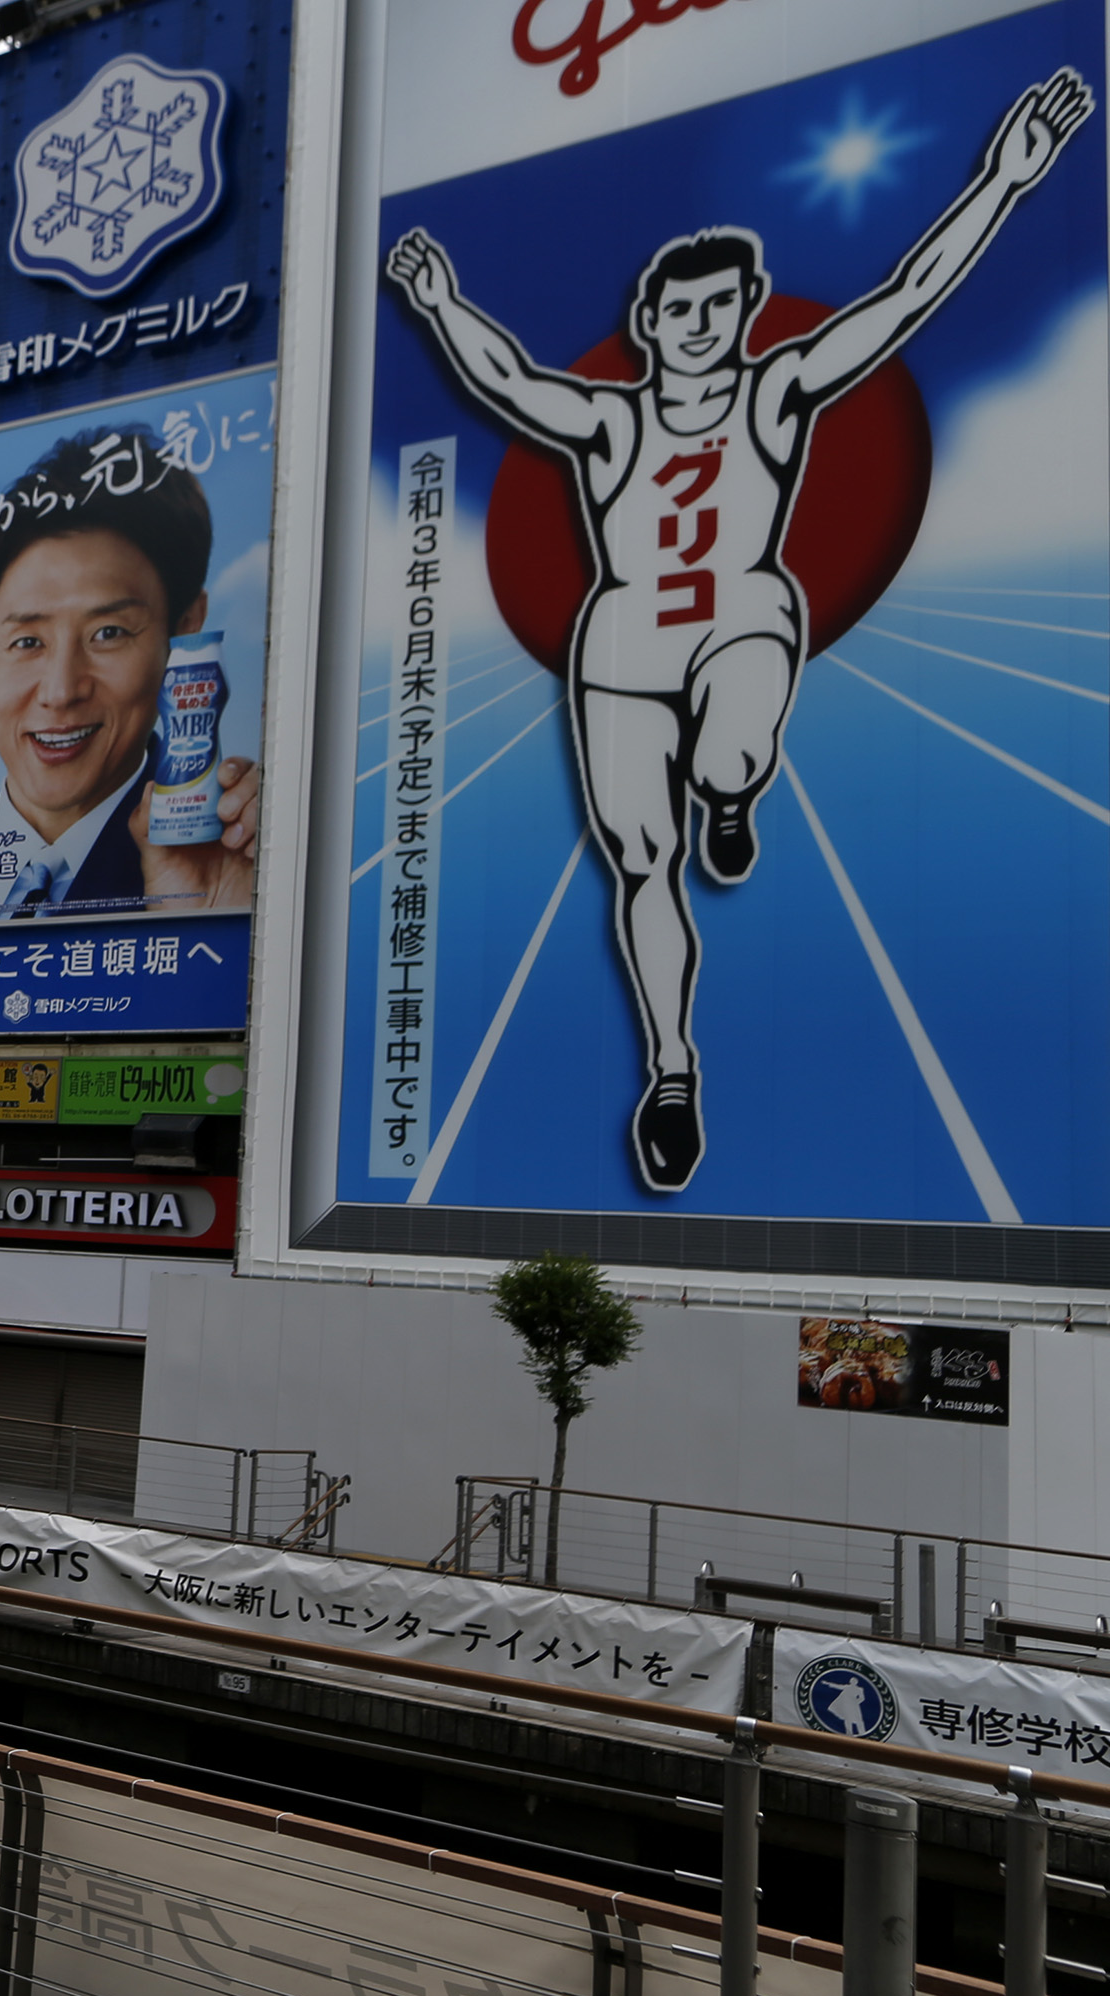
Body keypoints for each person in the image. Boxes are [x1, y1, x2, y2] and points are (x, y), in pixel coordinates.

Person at [383, 66, 1091, 1193]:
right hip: (620, 646)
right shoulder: (611, 423)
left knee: (733, 729)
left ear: (744, 314)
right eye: (684, 310)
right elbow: (509, 378)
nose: (704, 325)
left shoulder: (777, 393)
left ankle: (730, 791)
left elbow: (904, 298)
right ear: (650, 323)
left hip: (741, 617)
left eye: (723, 307)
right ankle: (671, 1068)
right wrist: (439, 305)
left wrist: (1004, 182)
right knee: (638, 861)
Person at [0, 427, 261, 924]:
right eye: (28, 642)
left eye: (108, 633)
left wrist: (208, 920)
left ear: (184, 630)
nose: (62, 691)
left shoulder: (229, 869)